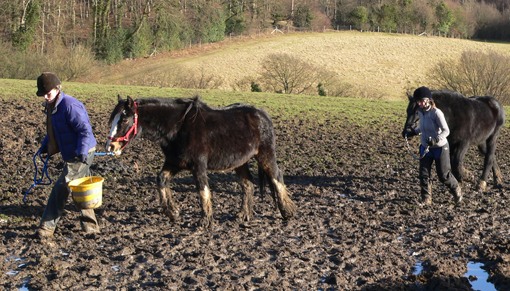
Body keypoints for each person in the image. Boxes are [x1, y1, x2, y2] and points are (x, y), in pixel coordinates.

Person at [35, 72, 99, 238]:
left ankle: (46, 228)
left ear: (57, 89)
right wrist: (45, 145)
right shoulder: (52, 107)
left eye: (48, 94)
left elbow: (85, 130)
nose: (46, 97)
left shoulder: (70, 106)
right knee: (82, 189)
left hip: (82, 152)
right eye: (43, 95)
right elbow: (54, 130)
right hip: (73, 152)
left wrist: (83, 152)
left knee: (62, 186)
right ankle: (91, 228)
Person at [405, 86, 462, 205]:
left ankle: (456, 189)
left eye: (421, 101)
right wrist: (413, 132)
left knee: (443, 176)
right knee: (424, 174)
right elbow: (423, 128)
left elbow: (446, 131)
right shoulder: (420, 112)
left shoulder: (436, 113)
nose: (419, 103)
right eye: (417, 101)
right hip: (426, 147)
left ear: (428, 100)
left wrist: (436, 139)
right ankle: (426, 198)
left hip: (440, 147)